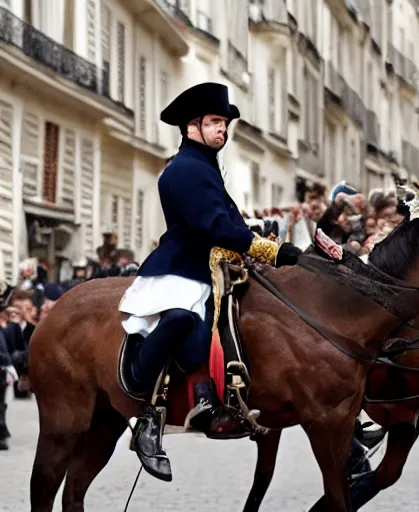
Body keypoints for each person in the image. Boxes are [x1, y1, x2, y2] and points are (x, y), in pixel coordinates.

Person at [119, 83, 295, 482]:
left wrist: (266, 240)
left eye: (224, 123)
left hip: (214, 267)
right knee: (186, 324)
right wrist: (271, 251)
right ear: (191, 126)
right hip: (183, 269)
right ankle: (149, 416)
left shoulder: (206, 165)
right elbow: (213, 225)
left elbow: (230, 219)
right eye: (215, 122)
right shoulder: (184, 169)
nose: (223, 130)